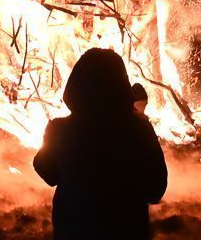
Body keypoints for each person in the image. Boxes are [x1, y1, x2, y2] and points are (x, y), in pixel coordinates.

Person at [33, 47, 168, 240]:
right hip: (127, 232)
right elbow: (156, 189)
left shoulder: (60, 129)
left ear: (75, 86)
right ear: (122, 86)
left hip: (74, 232)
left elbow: (47, 172)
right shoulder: (140, 129)